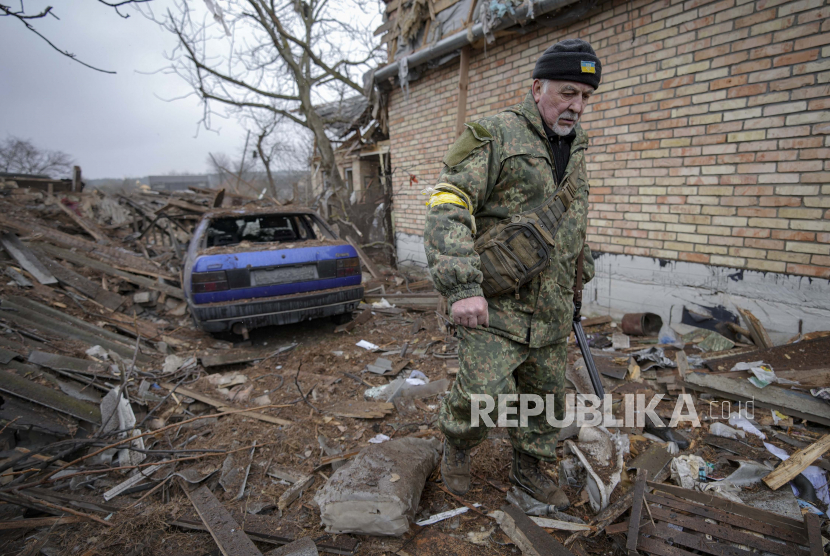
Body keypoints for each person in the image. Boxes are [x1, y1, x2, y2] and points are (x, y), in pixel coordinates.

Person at [423, 38, 601, 509]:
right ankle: (458, 444)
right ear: (538, 87)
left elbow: (570, 225)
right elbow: (448, 205)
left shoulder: (576, 148)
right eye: (568, 93)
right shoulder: (493, 134)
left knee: (543, 402)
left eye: (585, 97)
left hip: (552, 308)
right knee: (482, 394)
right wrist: (461, 287)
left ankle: (530, 471)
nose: (577, 106)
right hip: (495, 304)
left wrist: (581, 272)